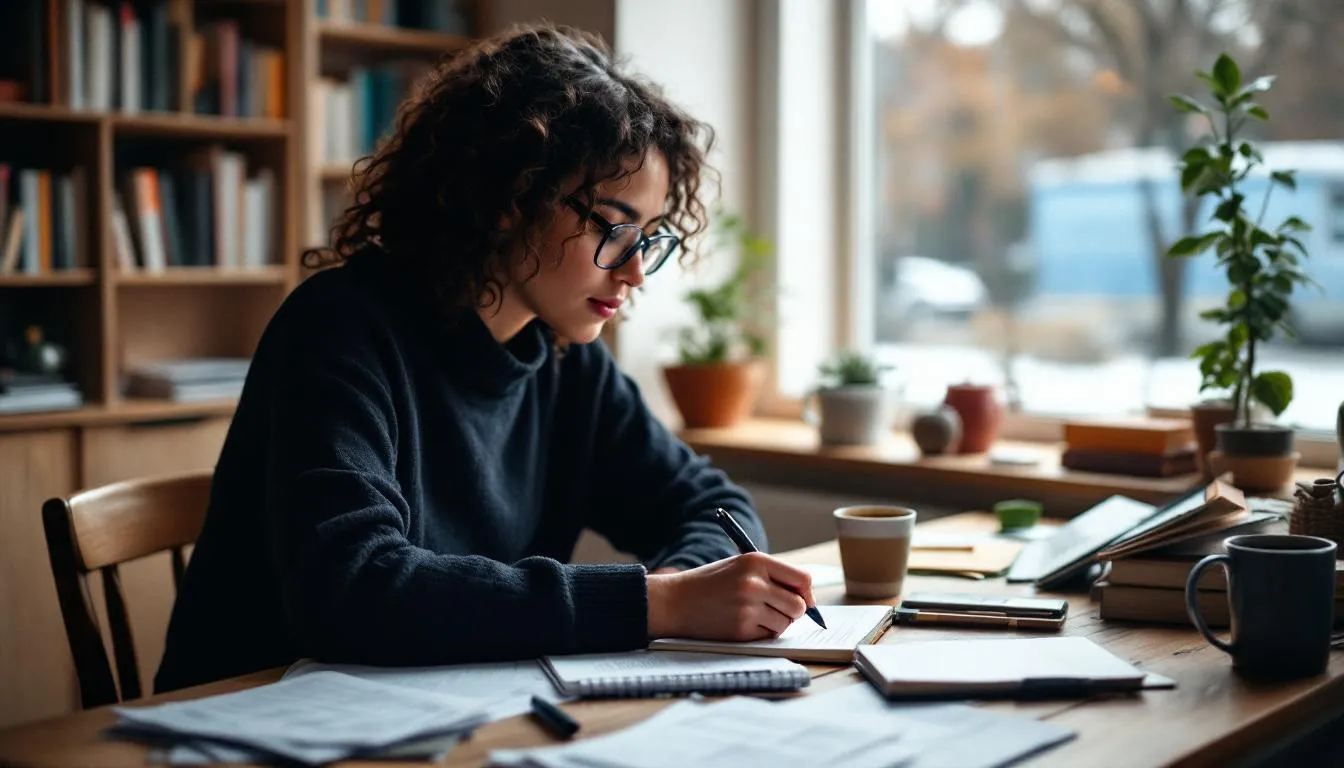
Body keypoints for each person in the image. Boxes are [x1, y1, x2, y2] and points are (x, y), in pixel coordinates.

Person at [154, 22, 817, 694]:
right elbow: (352, 590)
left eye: (648, 237)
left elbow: (710, 505)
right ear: (509, 199)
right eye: (614, 226)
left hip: (438, 709)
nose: (635, 271)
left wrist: (684, 582)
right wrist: (659, 605)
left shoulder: (562, 361)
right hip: (251, 718)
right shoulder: (340, 329)